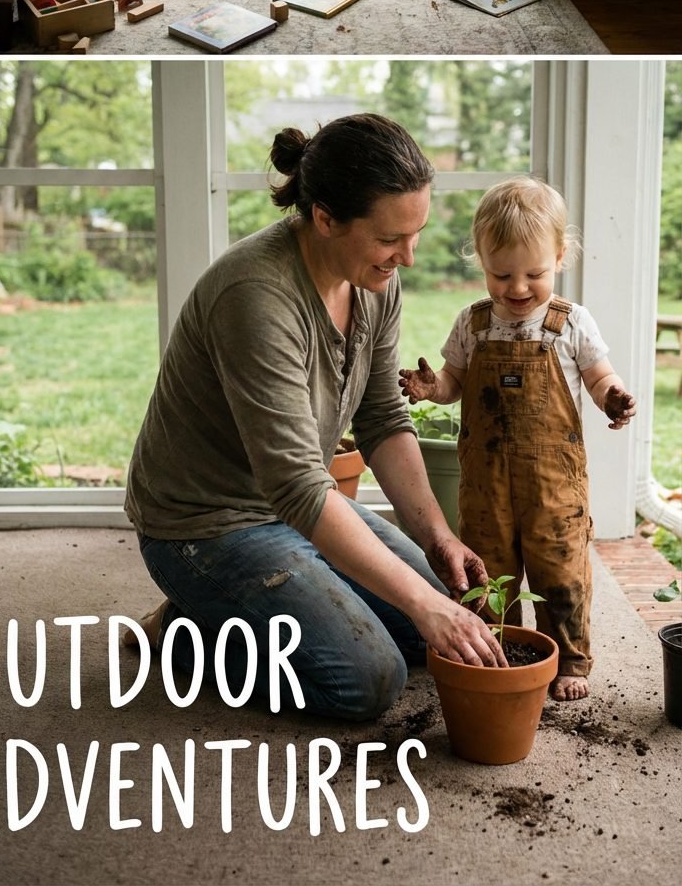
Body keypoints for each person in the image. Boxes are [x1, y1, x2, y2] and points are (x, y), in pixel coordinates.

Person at [124, 113, 506, 722]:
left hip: (295, 506)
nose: (407, 257)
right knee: (367, 680)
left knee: (424, 633)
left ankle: (239, 611)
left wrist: (438, 538)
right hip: (204, 525)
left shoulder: (373, 281)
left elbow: (382, 417)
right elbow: (299, 484)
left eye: (417, 234)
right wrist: (420, 601)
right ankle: (185, 635)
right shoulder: (255, 296)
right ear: (325, 218)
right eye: (389, 239)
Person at [399, 175, 636, 703]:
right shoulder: (474, 323)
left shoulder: (570, 322)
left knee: (559, 564)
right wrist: (429, 387)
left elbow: (598, 377)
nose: (518, 287)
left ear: (559, 256)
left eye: (535, 273)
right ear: (480, 260)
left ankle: (569, 656)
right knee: (488, 568)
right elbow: (454, 383)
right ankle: (495, 647)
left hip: (553, 480)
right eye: (501, 274)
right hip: (484, 477)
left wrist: (613, 396)